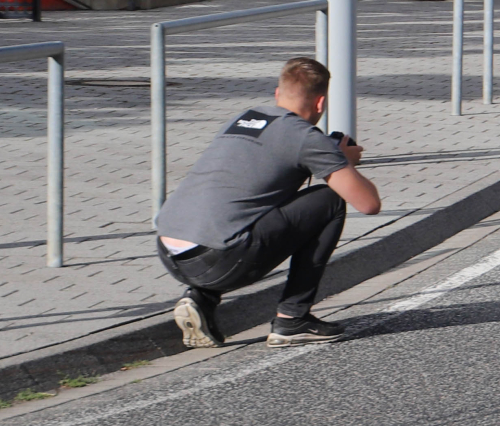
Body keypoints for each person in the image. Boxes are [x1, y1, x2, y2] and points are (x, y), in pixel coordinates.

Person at [154, 56, 380, 348]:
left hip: (169, 250)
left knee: (242, 208)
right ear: (320, 103)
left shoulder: (246, 118)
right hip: (219, 260)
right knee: (330, 199)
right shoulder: (306, 138)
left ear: (277, 94)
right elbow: (369, 204)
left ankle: (200, 298)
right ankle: (292, 318)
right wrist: (341, 162)